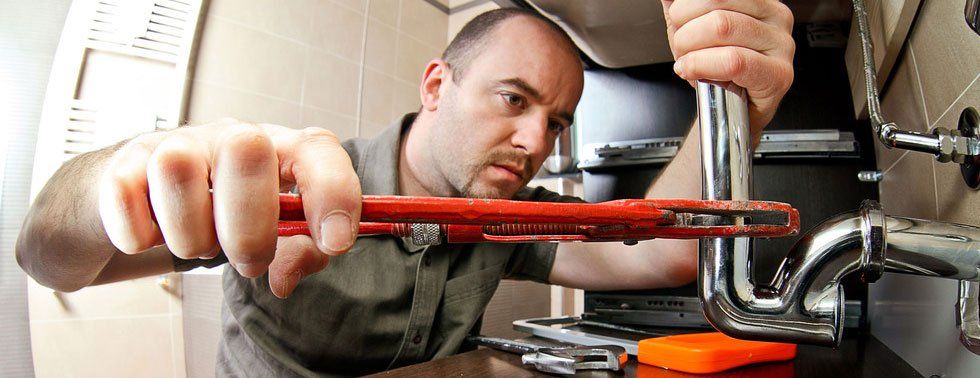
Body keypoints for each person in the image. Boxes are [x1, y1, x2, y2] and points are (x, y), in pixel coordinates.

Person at [16, 1, 795, 376]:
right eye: (513, 99)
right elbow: (51, 261)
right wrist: (128, 176)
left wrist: (735, 107)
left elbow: (655, 258)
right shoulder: (290, 193)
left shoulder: (510, 220)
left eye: (557, 121)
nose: (536, 143)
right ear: (435, 85)